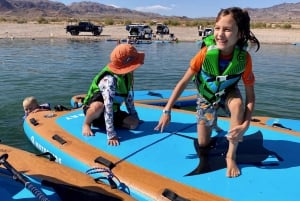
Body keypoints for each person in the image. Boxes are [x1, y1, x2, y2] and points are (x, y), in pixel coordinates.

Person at [155, 7, 260, 178]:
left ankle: (230, 156)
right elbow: (183, 82)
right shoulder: (204, 53)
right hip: (207, 95)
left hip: (228, 92)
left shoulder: (244, 59)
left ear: (240, 34)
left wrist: (246, 124)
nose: (219, 34)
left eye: (227, 29)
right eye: (217, 28)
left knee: (238, 105)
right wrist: (167, 110)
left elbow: (250, 95)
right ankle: (213, 121)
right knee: (203, 144)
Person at [82, 44, 145, 146]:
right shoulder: (109, 80)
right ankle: (87, 123)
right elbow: (108, 106)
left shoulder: (127, 75)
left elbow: (128, 97)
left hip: (113, 111)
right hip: (99, 108)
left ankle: (102, 123)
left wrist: (135, 117)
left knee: (133, 124)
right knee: (98, 107)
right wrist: (111, 134)